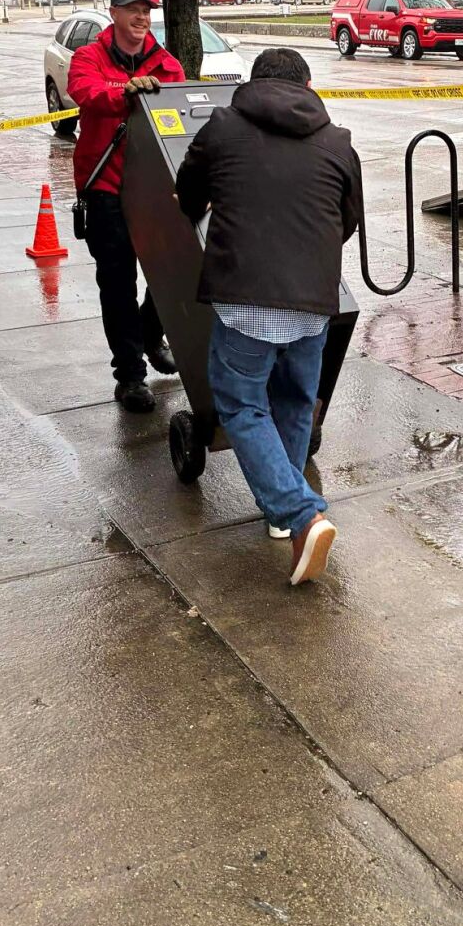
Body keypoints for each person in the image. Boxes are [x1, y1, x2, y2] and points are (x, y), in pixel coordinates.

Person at [176, 47, 362, 586]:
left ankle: (301, 515)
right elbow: (346, 220)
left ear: (252, 82)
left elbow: (189, 195)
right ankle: (283, 519)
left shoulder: (222, 127)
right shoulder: (337, 140)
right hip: (312, 301)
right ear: (306, 83)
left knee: (241, 407)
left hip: (244, 299)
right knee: (297, 400)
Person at [69, 0, 186, 412]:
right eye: (133, 9)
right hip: (105, 186)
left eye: (147, 10)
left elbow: (178, 111)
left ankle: (151, 333)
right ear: (113, 13)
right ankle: (131, 375)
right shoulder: (89, 58)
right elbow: (86, 94)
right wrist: (126, 91)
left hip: (155, 185)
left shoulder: (167, 63)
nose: (141, 17)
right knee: (116, 281)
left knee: (171, 268)